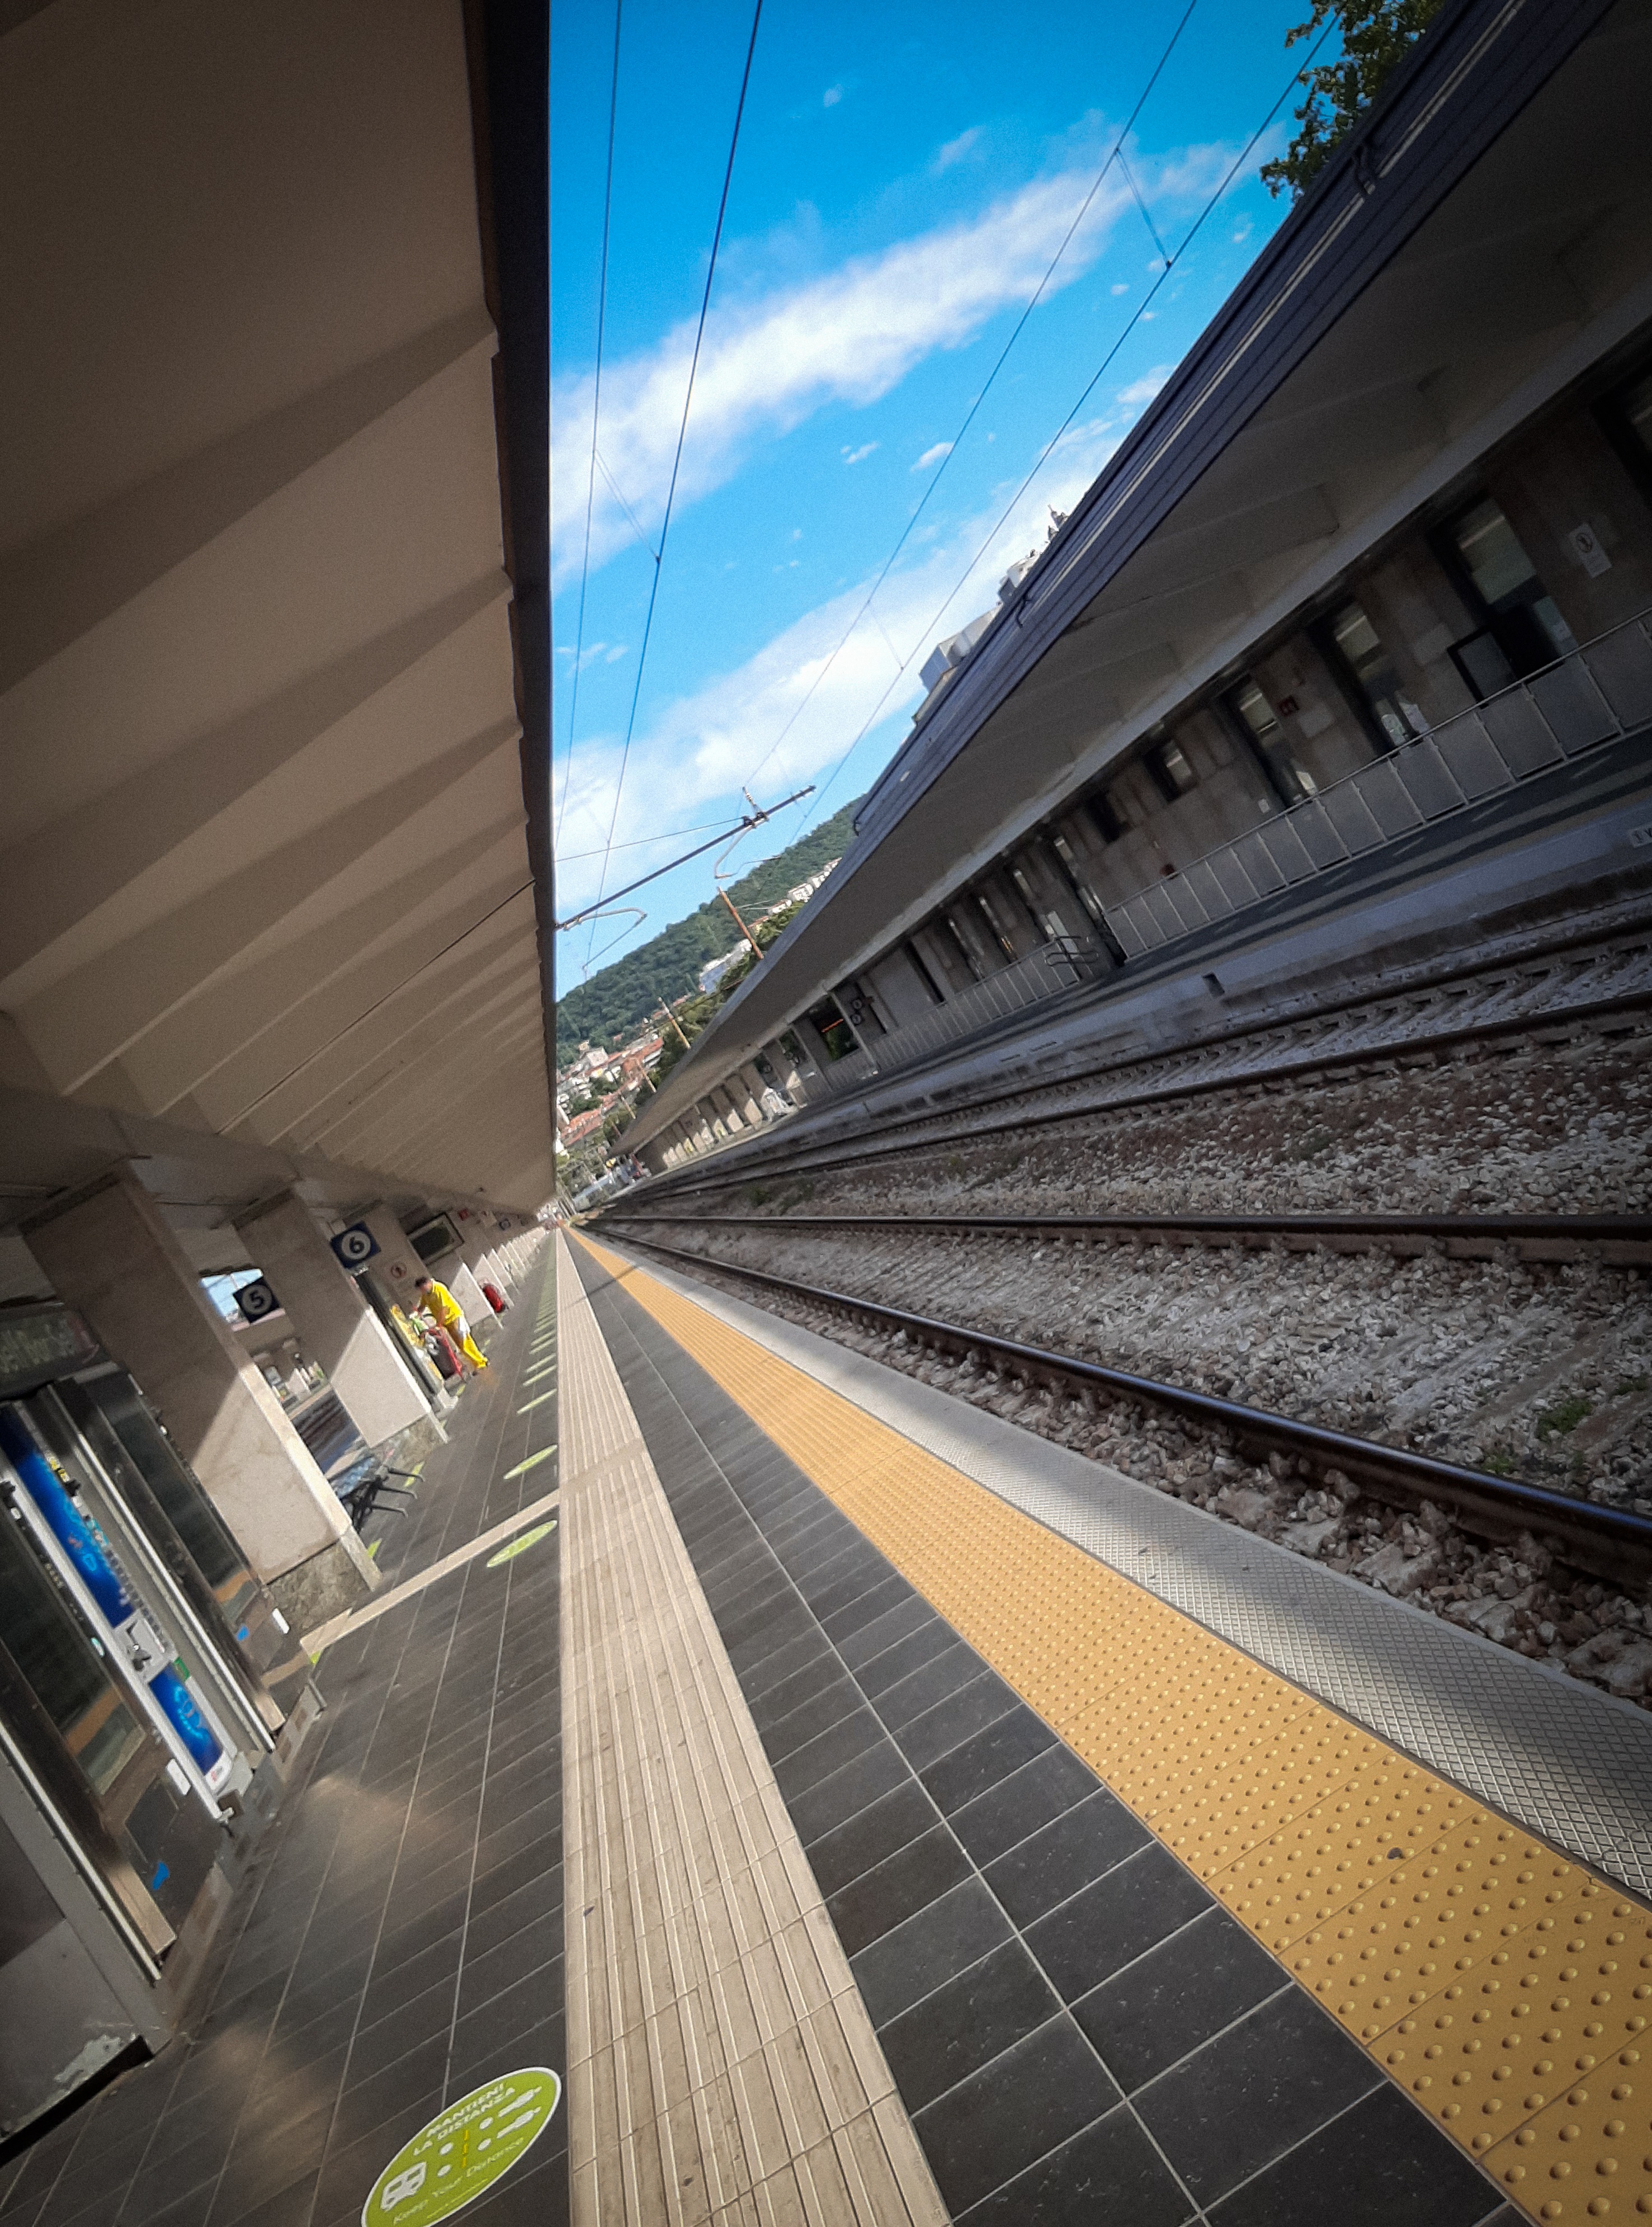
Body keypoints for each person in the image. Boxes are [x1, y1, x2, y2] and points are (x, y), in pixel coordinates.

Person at [413, 1275, 488, 1373]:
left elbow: (444, 1309)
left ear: (427, 1284)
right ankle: (478, 1362)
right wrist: (415, 1314)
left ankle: (480, 1362)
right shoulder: (426, 1295)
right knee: (461, 1346)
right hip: (447, 1323)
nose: (422, 1291)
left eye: (422, 1289)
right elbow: (422, 1306)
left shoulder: (439, 1289)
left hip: (454, 1318)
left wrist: (438, 1325)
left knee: (465, 1342)